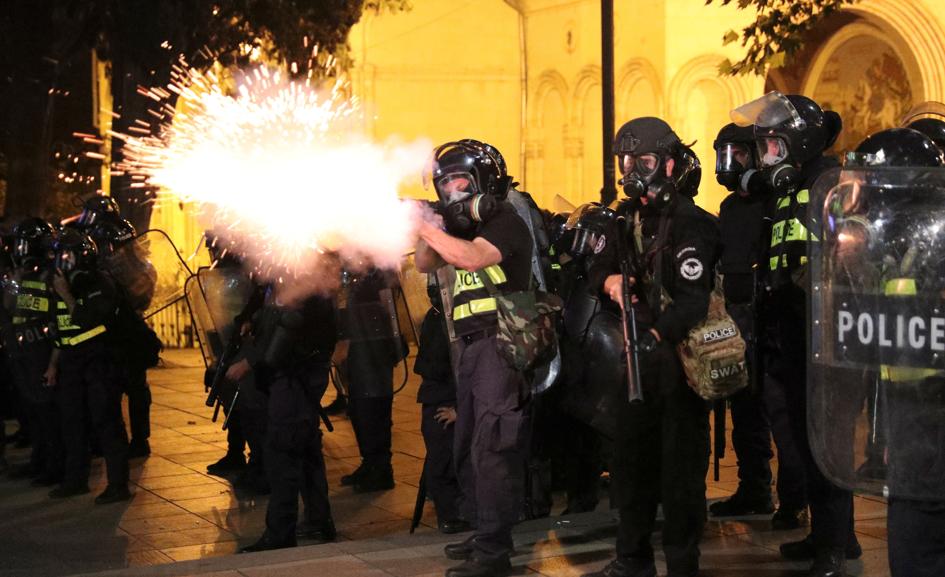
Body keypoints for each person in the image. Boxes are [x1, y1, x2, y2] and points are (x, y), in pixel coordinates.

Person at [583, 117, 717, 577]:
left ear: (669, 164)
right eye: (626, 161)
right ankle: (632, 558)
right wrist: (610, 281)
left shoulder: (691, 223)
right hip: (635, 366)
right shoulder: (625, 219)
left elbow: (694, 301)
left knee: (680, 477)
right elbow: (594, 268)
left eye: (643, 161)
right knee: (629, 468)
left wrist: (656, 336)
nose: (632, 170)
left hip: (678, 366)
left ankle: (682, 564)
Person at [734, 92, 859, 576]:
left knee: (828, 443)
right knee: (802, 442)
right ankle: (833, 536)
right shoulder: (789, 188)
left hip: (826, 333)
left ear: (799, 142)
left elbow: (853, 252)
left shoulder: (835, 183)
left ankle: (833, 547)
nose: (766, 157)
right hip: (789, 328)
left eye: (772, 146)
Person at [415, 139, 533, 577]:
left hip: (499, 345)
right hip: (471, 348)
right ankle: (483, 530)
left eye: (459, 182)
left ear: (482, 180)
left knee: (492, 448)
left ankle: (494, 552)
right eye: (444, 185)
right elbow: (424, 264)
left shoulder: (505, 222)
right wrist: (429, 222)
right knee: (467, 445)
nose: (451, 192)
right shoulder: (460, 230)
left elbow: (471, 259)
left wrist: (426, 226)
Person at [709, 124, 785, 520]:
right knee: (744, 409)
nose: (730, 164)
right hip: (736, 316)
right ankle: (754, 488)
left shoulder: (773, 201)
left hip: (767, 316)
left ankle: (793, 500)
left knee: (779, 413)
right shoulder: (729, 208)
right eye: (724, 155)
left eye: (737, 155)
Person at [236, 280, 338, 552]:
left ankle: (280, 533)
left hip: (295, 374)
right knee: (305, 446)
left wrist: (252, 361)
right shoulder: (300, 273)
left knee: (282, 449)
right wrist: (254, 318)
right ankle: (318, 519)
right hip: (300, 373)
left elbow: (289, 321)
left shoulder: (301, 274)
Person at [47, 228, 130, 504]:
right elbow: (61, 329)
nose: (61, 262)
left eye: (66, 256)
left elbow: (87, 319)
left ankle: (118, 485)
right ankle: (75, 480)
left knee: (107, 422)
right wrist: (53, 365)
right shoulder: (63, 284)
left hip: (100, 361)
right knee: (72, 422)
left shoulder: (99, 283)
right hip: (72, 363)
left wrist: (67, 295)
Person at [89, 218, 157, 459]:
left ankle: (137, 440)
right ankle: (118, 440)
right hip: (115, 335)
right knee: (117, 391)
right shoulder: (108, 269)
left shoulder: (138, 269)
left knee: (131, 390)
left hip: (127, 335)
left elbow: (140, 299)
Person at [6, 218, 61, 485]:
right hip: (24, 351)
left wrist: (53, 363)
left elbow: (54, 318)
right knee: (33, 412)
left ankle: (54, 467)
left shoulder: (50, 275)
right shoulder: (23, 274)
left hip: (42, 351)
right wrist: (15, 282)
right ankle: (39, 462)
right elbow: (11, 307)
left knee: (47, 413)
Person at [338, 267, 401, 493]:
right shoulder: (355, 268)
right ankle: (370, 462)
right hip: (360, 344)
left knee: (373, 409)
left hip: (374, 345)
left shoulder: (377, 269)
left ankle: (381, 468)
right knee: (358, 409)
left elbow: (387, 303)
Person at [414, 276, 468, 533]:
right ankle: (451, 514)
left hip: (449, 396)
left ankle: (457, 514)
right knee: (442, 462)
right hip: (439, 394)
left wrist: (462, 410)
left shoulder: (456, 317)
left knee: (448, 463)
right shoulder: (436, 315)